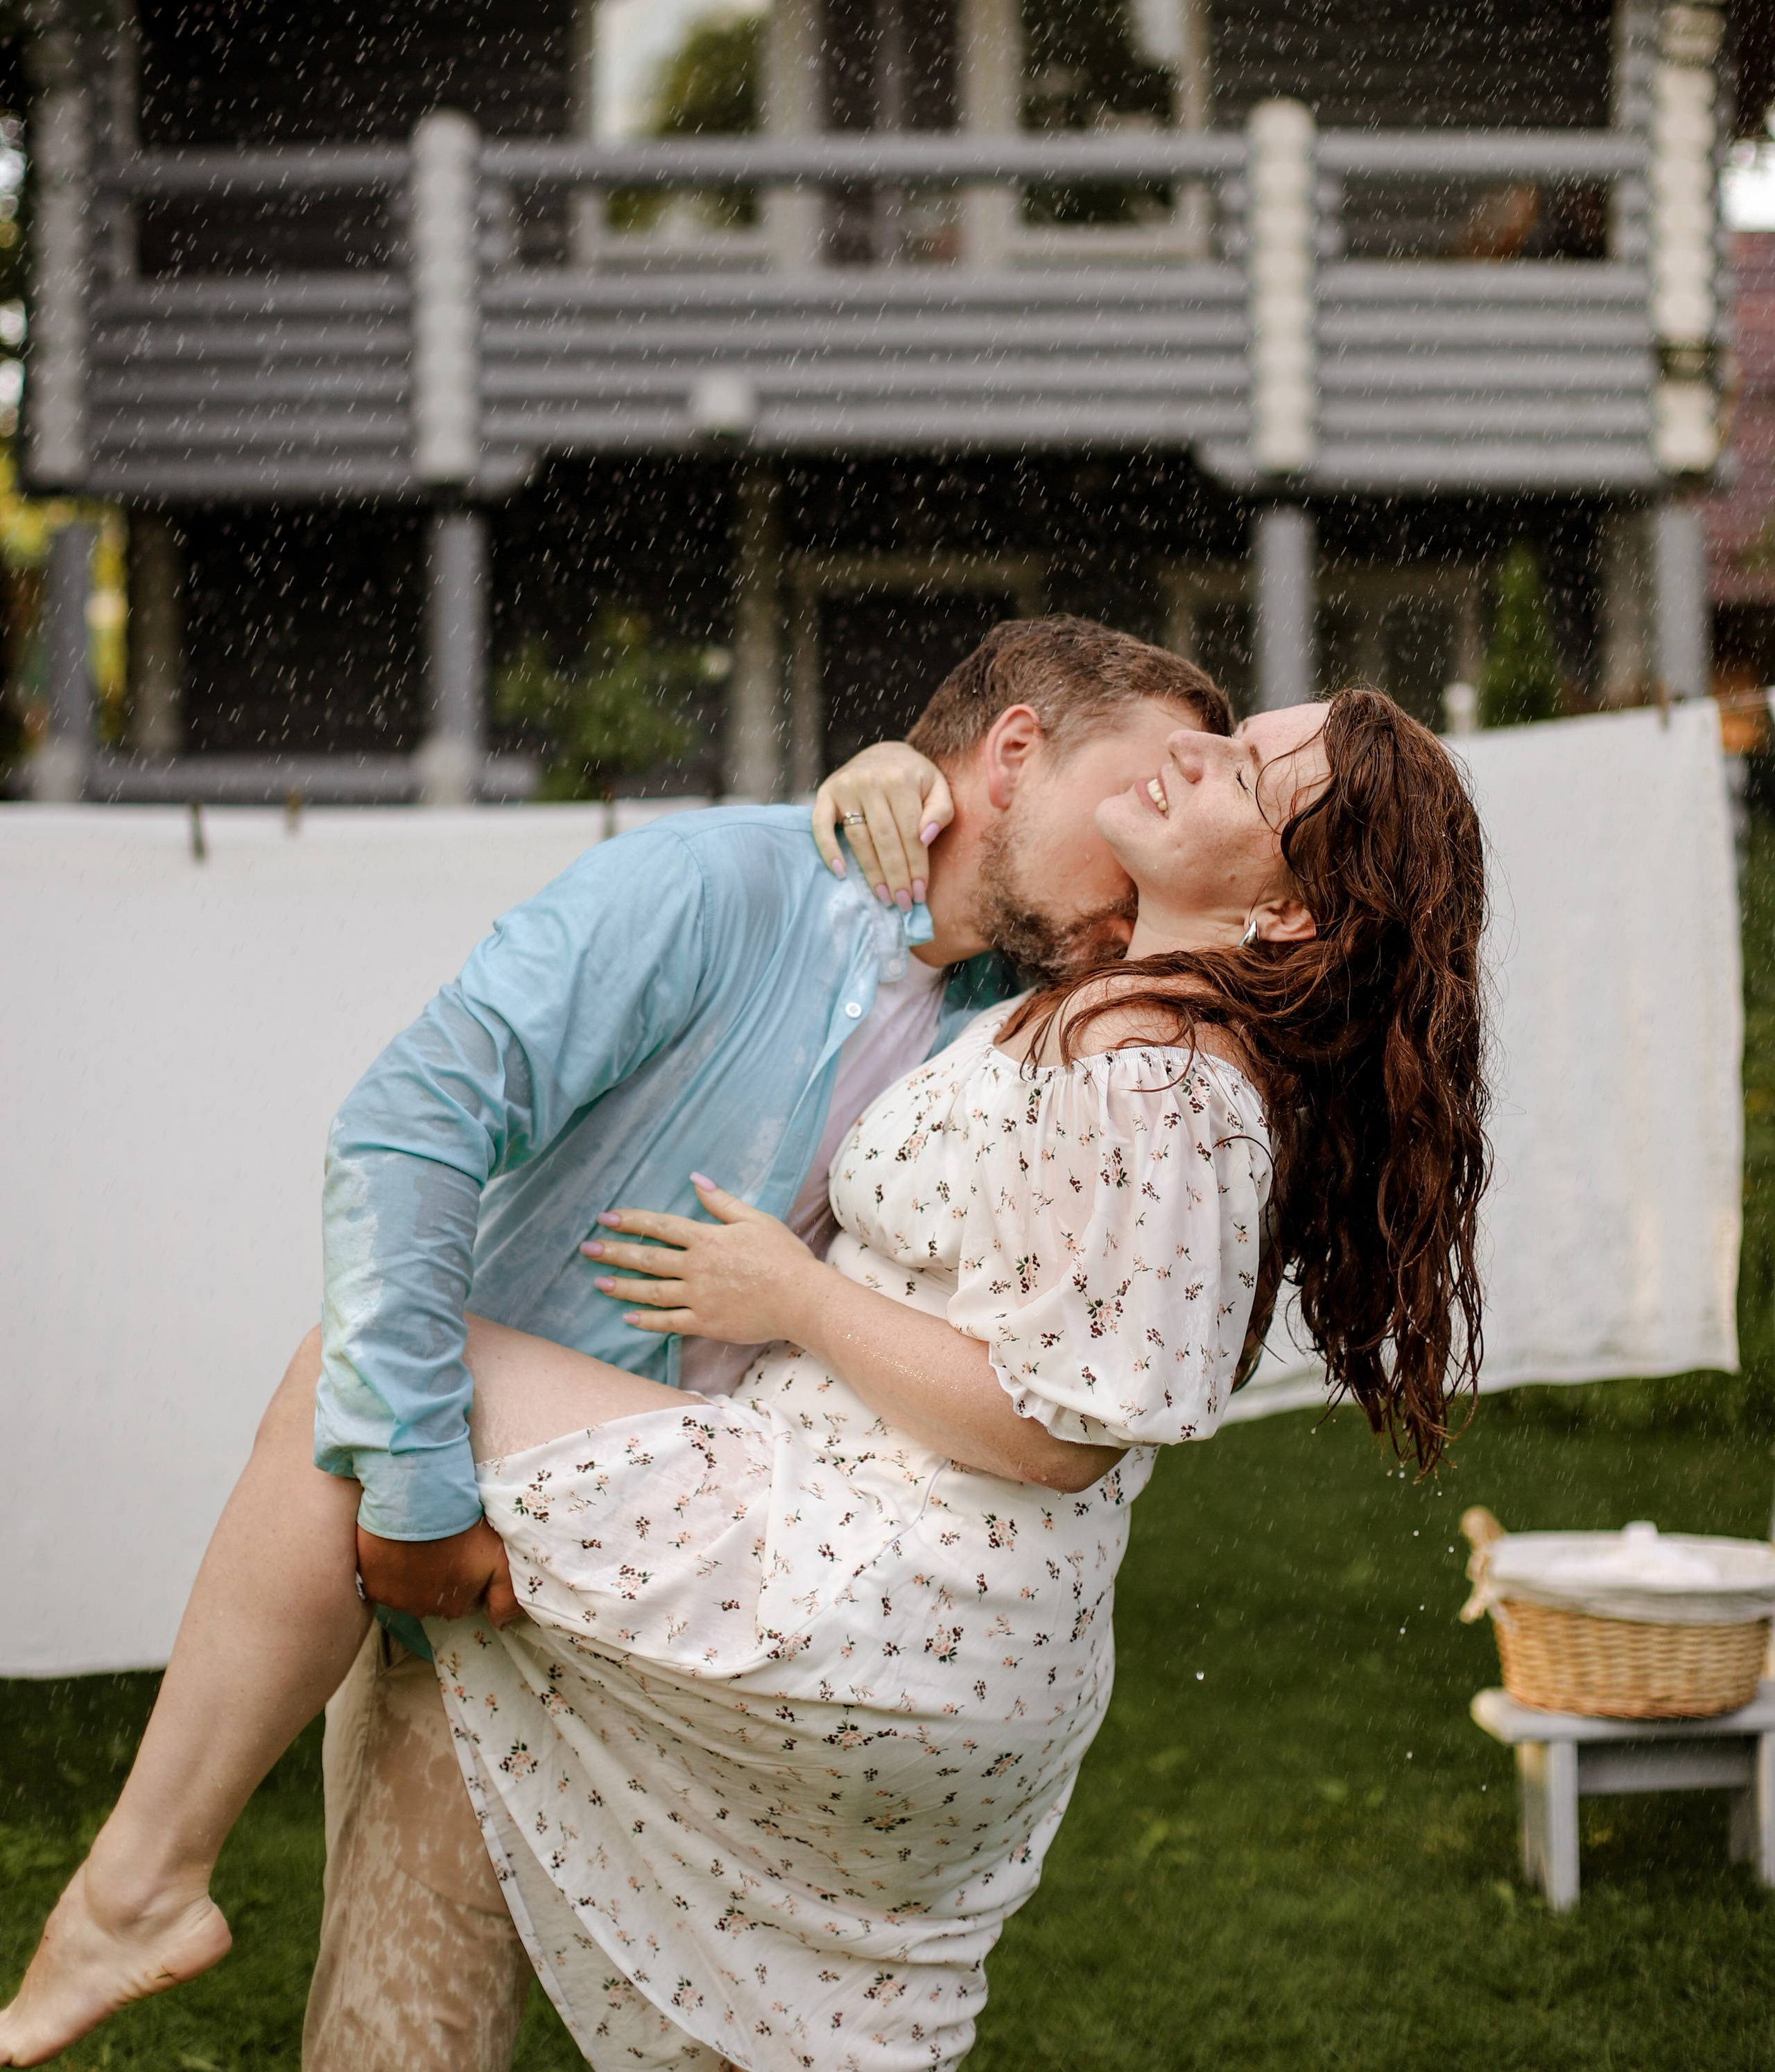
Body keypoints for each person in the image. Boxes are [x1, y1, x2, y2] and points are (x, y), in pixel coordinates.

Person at [1, 682, 1489, 2072]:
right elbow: (413, 1120)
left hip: (876, 1589)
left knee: (370, 1375)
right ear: (1010, 752)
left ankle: (139, 1887)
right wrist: (868, 782)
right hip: (815, 1559)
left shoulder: (1154, 1066)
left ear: (1288, 915)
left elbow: (1063, 1431)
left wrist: (795, 1299)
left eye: (1234, 767)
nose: (1190, 762)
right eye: (1185, 745)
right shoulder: (1055, 988)